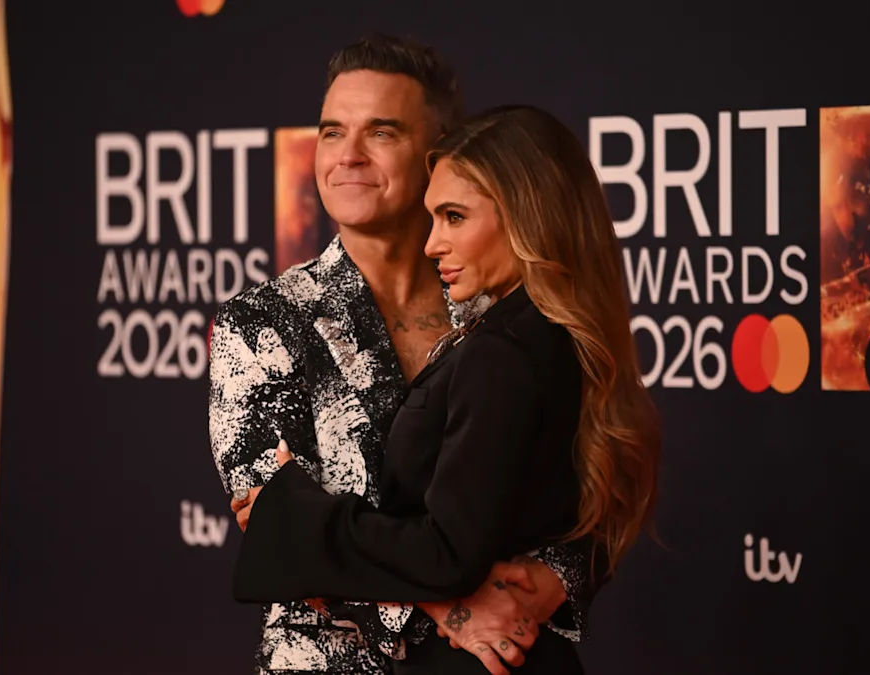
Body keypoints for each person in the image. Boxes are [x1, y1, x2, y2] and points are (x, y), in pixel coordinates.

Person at [208, 36, 597, 675]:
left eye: (381, 132)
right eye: (332, 132)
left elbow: (588, 478)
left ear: (437, 153)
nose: (348, 156)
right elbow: (280, 531)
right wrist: (455, 607)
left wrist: (554, 579)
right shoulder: (262, 323)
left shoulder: (501, 309)